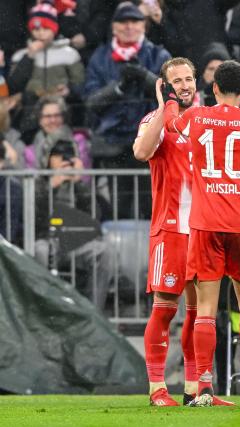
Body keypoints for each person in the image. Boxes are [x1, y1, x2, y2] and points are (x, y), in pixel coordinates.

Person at [161, 60, 240, 407]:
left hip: (205, 225)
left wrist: (170, 98)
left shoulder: (198, 116)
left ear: (214, 88)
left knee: (206, 307)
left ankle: (204, 384)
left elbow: (171, 124)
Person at [131, 58, 198, 407]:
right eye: (177, 81)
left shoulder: (206, 119)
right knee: (165, 308)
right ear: (164, 85)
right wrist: (162, 107)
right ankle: (157, 388)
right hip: (170, 228)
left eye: (189, 79)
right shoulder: (154, 121)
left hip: (204, 230)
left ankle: (194, 389)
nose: (184, 85)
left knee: (201, 313)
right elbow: (141, 151)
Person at [84, 2, 170, 217]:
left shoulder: (159, 55)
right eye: (123, 22)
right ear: (114, 27)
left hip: (151, 143)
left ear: (144, 26)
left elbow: (172, 95)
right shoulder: (100, 57)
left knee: (152, 206)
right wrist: (118, 88)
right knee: (118, 209)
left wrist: (145, 77)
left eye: (135, 21)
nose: (129, 27)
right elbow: (91, 101)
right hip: (114, 145)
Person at [33, 139, 115, 313]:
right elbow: (35, 218)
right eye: (58, 155)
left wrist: (79, 183)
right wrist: (52, 186)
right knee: (40, 251)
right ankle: (43, 311)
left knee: (105, 252)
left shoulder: (79, 185)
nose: (64, 160)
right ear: (48, 159)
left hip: (77, 242)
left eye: (68, 156)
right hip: (47, 239)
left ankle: (93, 314)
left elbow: (94, 217)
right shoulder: (39, 183)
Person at [8, 0, 85, 142]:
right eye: (36, 29)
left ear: (54, 29)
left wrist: (69, 91)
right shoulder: (20, 56)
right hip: (30, 119)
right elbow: (13, 86)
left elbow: (81, 85)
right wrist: (29, 57)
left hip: (61, 114)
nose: (40, 33)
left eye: (45, 28)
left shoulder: (68, 54)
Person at [25, 96, 91, 171]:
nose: (53, 120)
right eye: (47, 116)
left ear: (63, 117)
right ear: (40, 120)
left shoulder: (78, 141)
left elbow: (86, 177)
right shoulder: (30, 151)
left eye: (57, 115)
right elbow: (32, 180)